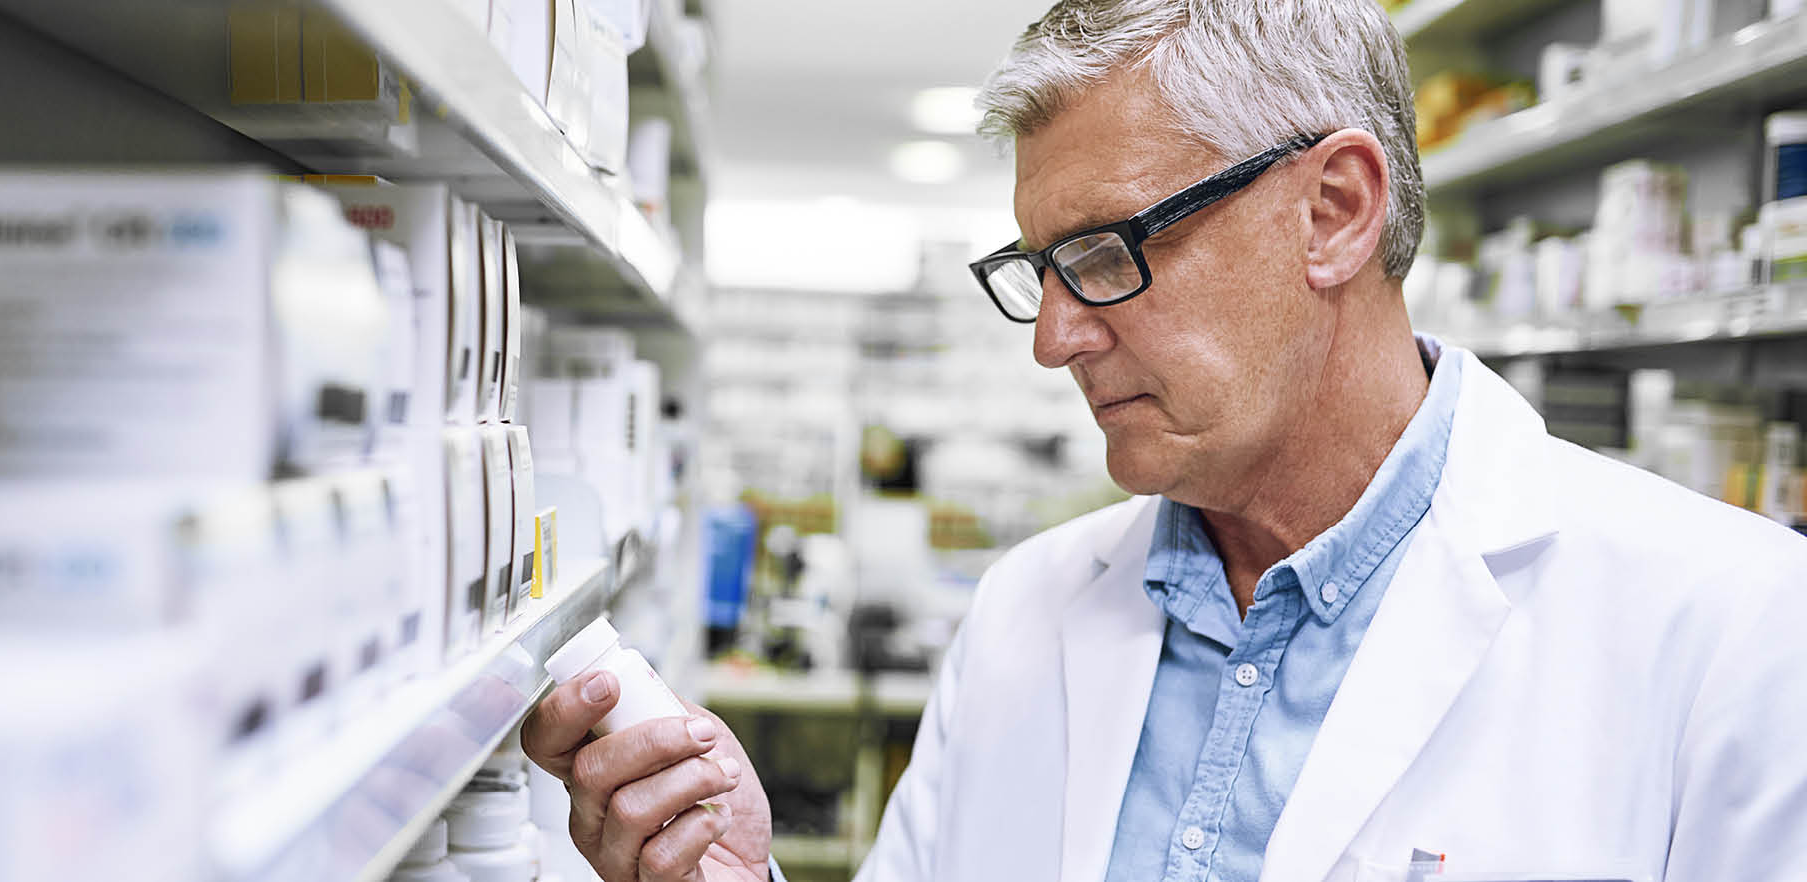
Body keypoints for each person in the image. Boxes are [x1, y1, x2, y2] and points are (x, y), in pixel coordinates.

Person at [520, 1, 1807, 879]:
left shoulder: (1734, 633)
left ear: (1336, 211)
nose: (1054, 338)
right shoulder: (1028, 613)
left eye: (1107, 254)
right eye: (1040, 269)